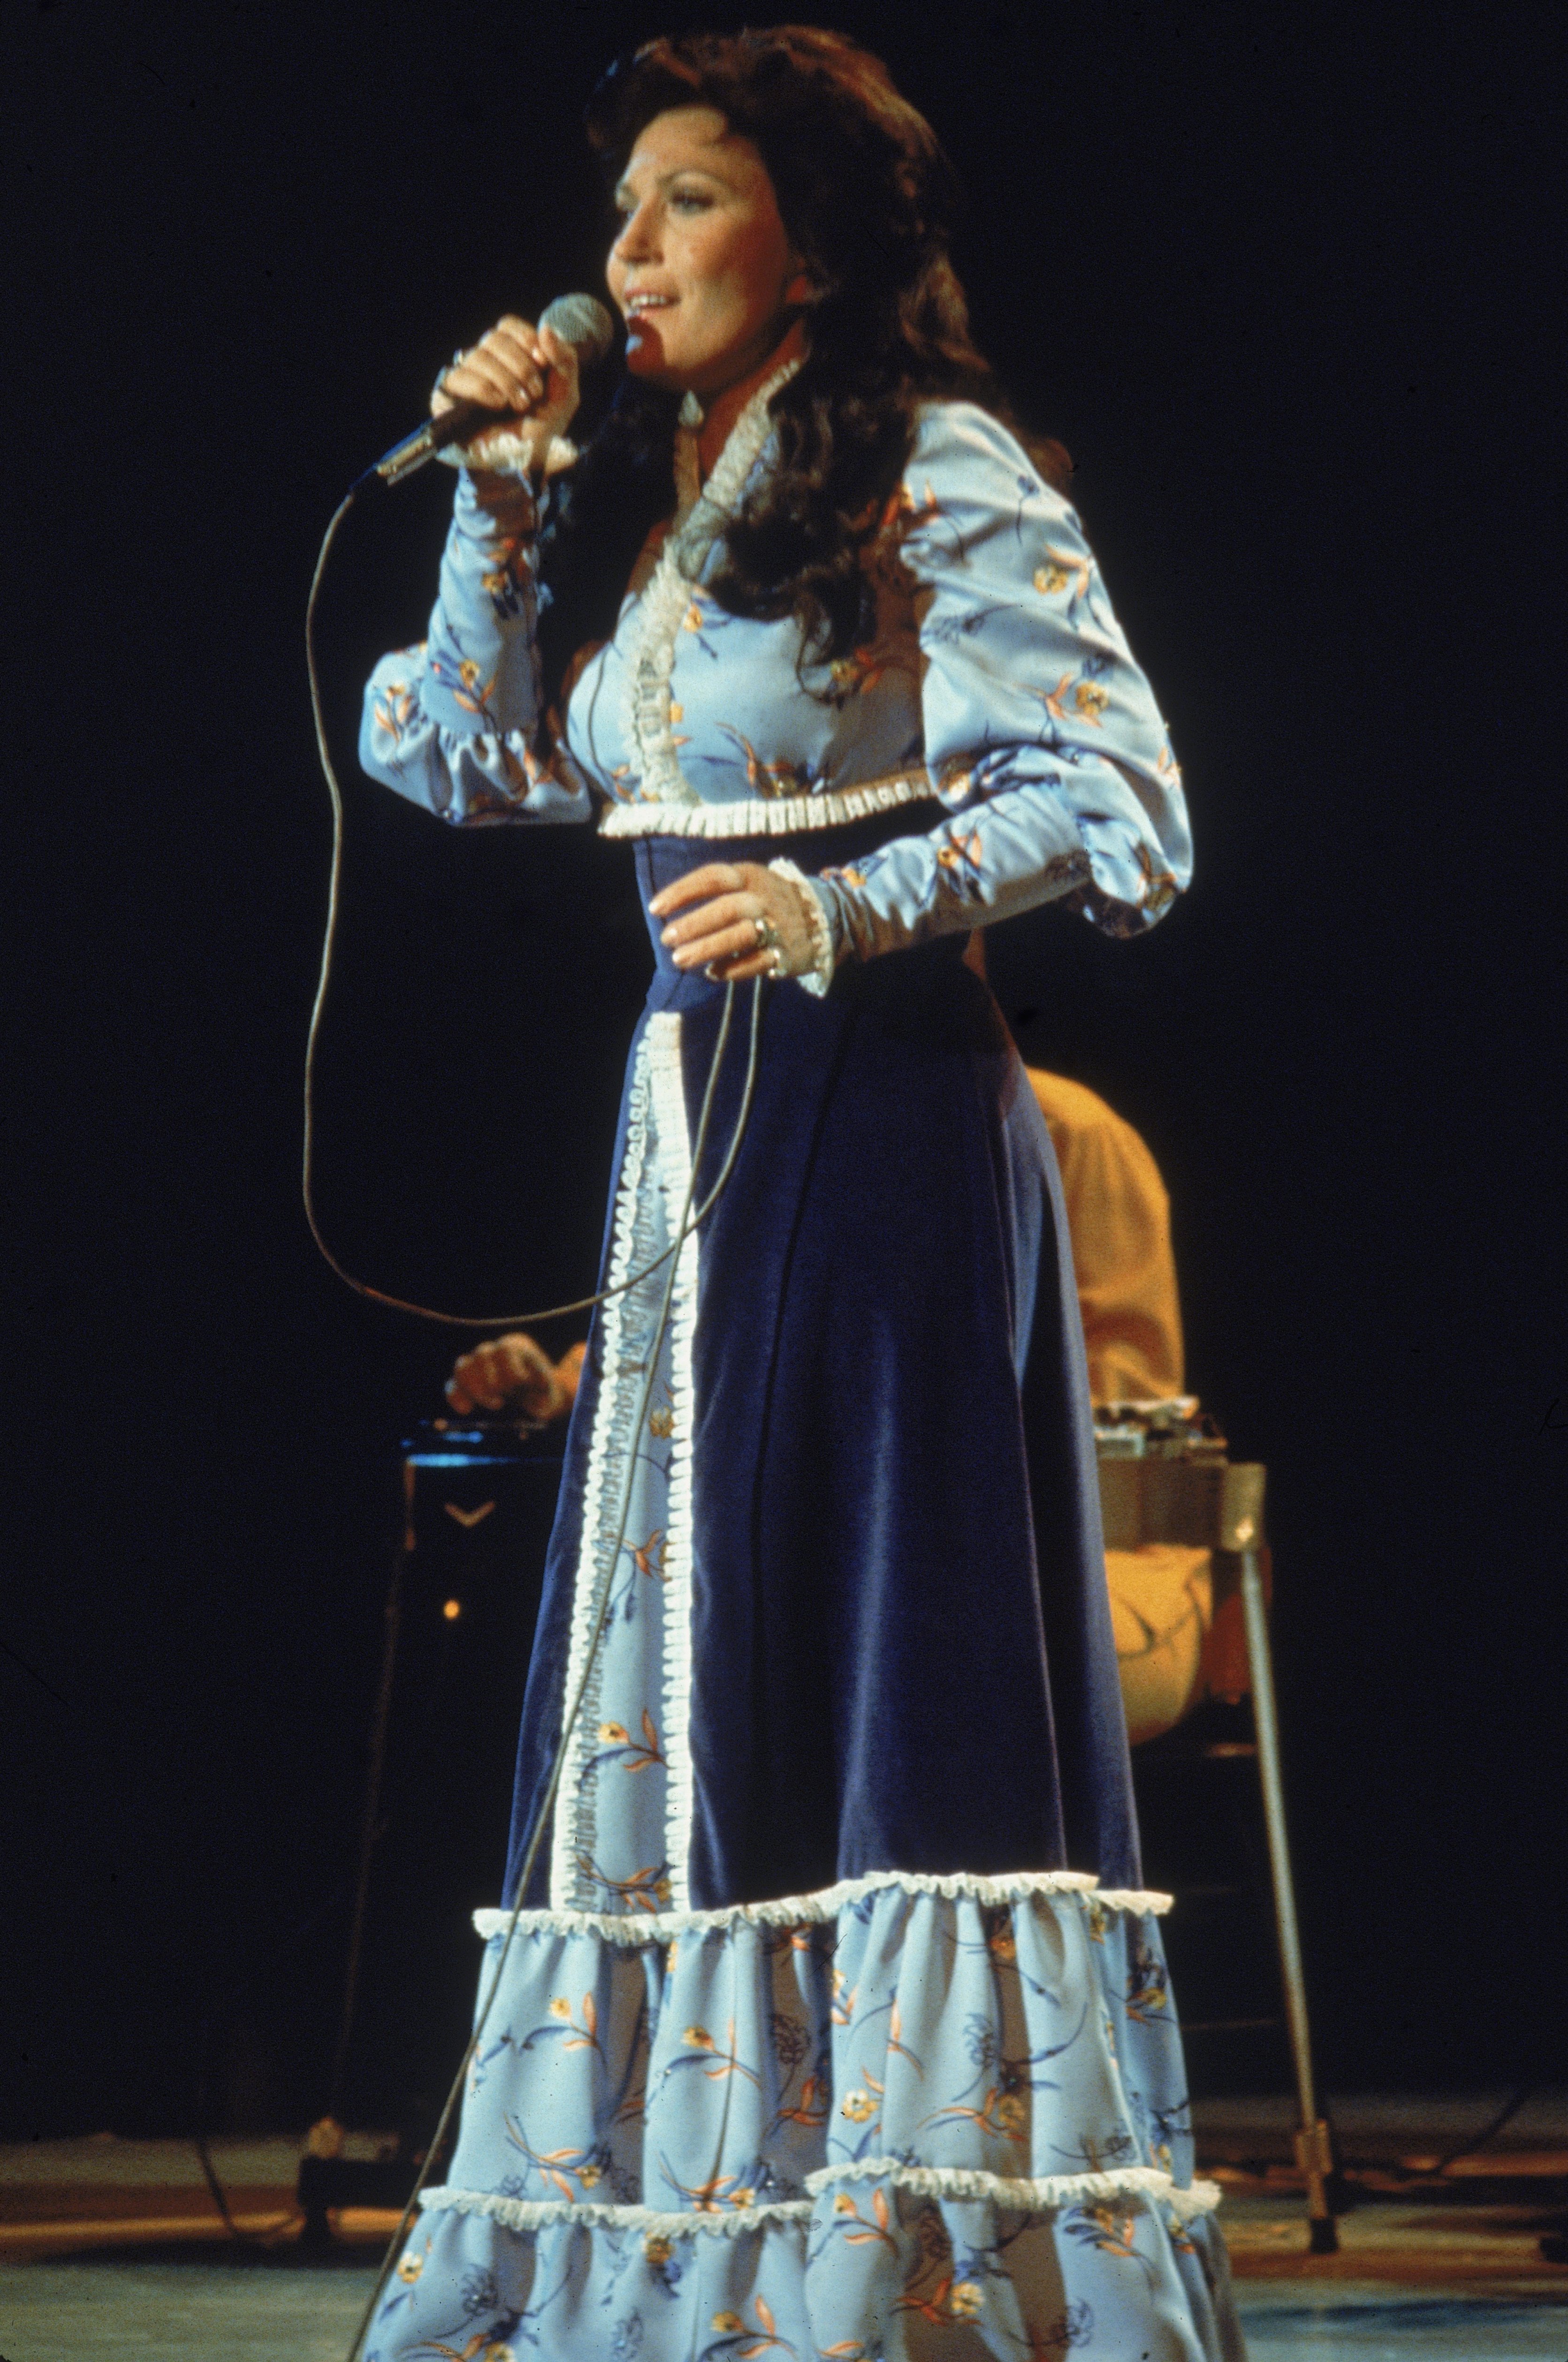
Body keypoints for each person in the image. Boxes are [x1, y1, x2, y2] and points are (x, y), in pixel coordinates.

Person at [358, 28, 1244, 2360]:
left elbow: (1128, 802)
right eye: (621, 205)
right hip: (704, 1134)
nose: (623, 252)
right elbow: (470, 759)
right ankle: (737, 2233)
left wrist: (843, 899)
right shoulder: (686, 502)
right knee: (699, 1668)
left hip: (875, 1117)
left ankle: (909, 2248)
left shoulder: (931, 465)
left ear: (813, 241)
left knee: (871, 1681)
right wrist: (500, 499)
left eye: (683, 199)